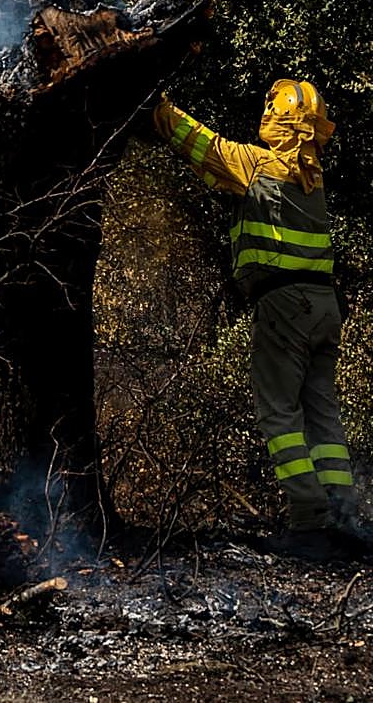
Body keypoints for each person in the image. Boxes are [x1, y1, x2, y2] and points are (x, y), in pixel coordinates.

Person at [150, 80, 365, 559]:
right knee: (322, 414)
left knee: (280, 415)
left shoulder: (258, 164)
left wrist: (157, 108)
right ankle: (343, 517)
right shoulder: (312, 177)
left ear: (281, 119)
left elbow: (203, 146)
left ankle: (310, 521)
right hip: (324, 306)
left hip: (284, 305)